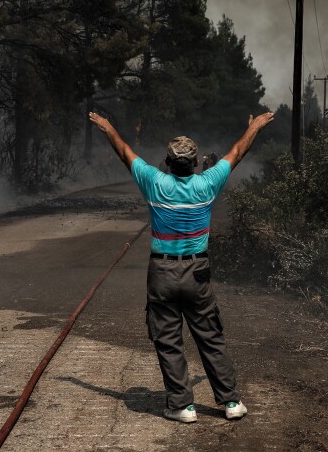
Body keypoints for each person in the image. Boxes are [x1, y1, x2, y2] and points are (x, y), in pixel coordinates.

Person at [88, 110, 275, 423]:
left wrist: (108, 128)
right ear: (196, 162)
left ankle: (182, 406)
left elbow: (124, 152)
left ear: (168, 162)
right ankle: (230, 402)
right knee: (210, 337)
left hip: (162, 273)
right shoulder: (208, 183)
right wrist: (255, 126)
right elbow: (238, 151)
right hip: (197, 271)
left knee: (169, 340)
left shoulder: (154, 181)